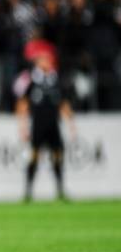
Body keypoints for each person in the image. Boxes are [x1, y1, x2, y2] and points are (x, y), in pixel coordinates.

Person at [16, 53, 76, 202]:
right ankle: (28, 191)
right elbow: (22, 104)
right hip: (38, 125)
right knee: (35, 156)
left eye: (49, 60)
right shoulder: (31, 80)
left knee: (58, 156)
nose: (48, 62)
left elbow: (63, 103)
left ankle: (60, 189)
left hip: (53, 125)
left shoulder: (56, 80)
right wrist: (22, 127)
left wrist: (71, 124)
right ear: (38, 62)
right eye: (44, 60)